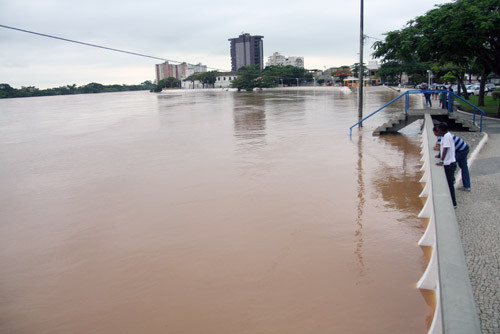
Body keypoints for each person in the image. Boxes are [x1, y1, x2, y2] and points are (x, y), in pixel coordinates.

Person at [432, 126, 471, 191]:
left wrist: (441, 161)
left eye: (435, 133)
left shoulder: (442, 137)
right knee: (464, 167)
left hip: (461, 151)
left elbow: (440, 148)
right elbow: (441, 147)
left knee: (451, 164)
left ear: (439, 131)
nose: (435, 134)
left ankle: (452, 180)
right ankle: (467, 186)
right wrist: (439, 155)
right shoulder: (446, 134)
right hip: (465, 148)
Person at [435, 122, 457, 207]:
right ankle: (451, 202)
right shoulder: (445, 136)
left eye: (438, 129)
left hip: (449, 164)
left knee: (450, 184)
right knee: (449, 183)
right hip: (448, 163)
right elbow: (442, 148)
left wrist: (441, 161)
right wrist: (439, 155)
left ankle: (453, 203)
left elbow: (446, 149)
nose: (438, 130)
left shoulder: (447, 136)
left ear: (441, 130)